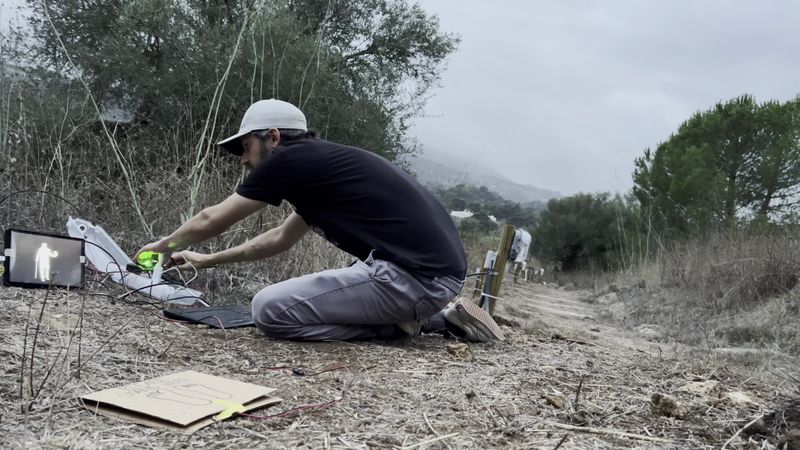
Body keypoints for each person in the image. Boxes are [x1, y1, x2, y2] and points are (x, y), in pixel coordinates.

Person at [136, 99, 504, 342]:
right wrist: (206, 260)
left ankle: (418, 323)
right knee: (275, 305)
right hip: (429, 277)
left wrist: (161, 247)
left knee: (269, 311)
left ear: (273, 137)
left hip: (416, 280)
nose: (243, 159)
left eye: (245, 146)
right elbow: (277, 240)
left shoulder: (290, 161)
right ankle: (430, 317)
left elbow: (212, 219)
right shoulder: (318, 170)